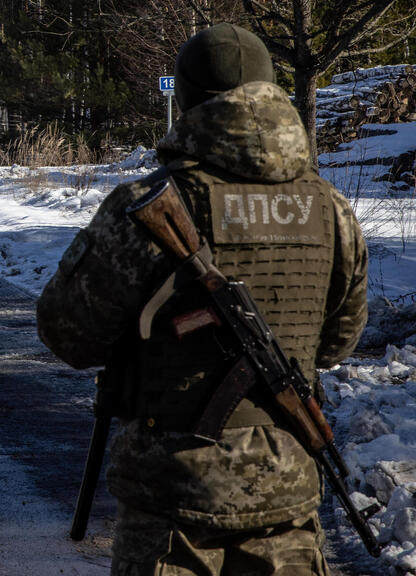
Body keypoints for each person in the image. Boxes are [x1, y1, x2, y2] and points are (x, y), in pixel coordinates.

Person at [37, 23, 368, 576]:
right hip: (287, 495)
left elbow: (68, 333)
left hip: (173, 500)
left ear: (188, 102)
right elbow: (337, 343)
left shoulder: (150, 203)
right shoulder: (330, 208)